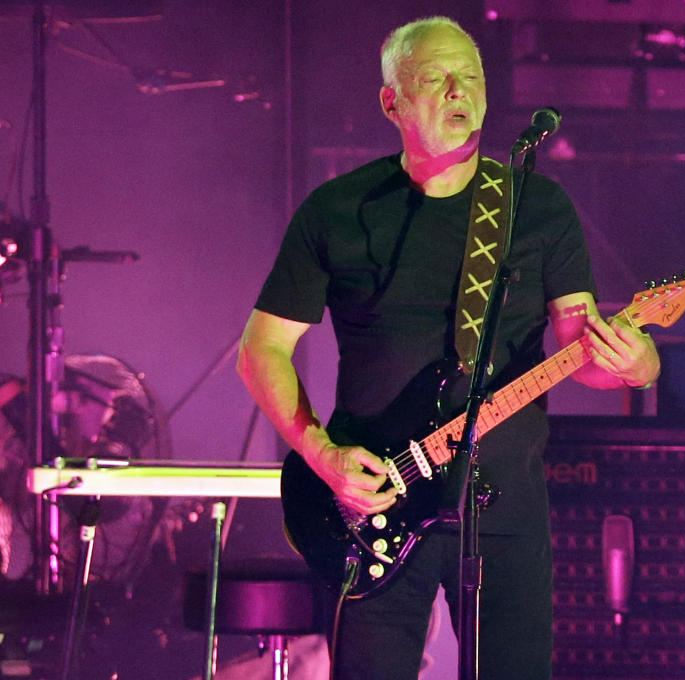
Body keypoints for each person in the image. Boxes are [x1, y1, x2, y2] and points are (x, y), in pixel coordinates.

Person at [236, 16, 660, 680]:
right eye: (435, 77)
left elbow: (582, 348)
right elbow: (261, 350)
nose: (458, 89)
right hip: (373, 500)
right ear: (392, 102)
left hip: (503, 510)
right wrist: (322, 456)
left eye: (471, 76)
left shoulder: (535, 206)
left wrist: (637, 366)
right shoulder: (337, 210)